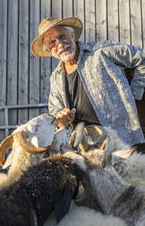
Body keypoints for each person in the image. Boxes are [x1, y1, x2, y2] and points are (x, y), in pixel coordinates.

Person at [31, 17, 145, 150]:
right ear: (49, 50)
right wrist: (61, 120)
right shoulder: (56, 78)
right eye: (52, 42)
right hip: (87, 150)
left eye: (62, 36)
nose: (60, 44)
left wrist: (135, 94)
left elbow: (141, 57)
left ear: (72, 35)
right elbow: (55, 109)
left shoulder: (101, 51)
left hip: (123, 140)